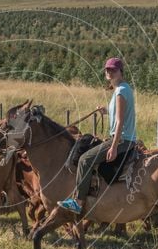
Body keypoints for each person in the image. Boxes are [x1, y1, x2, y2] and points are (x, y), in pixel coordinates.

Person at [58, 57, 137, 214]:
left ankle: (78, 203)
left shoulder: (120, 91)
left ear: (121, 71)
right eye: (107, 69)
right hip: (124, 138)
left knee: (84, 160)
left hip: (122, 139)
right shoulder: (122, 89)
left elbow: (120, 120)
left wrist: (114, 147)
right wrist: (106, 111)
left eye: (113, 69)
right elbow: (119, 113)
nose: (109, 72)